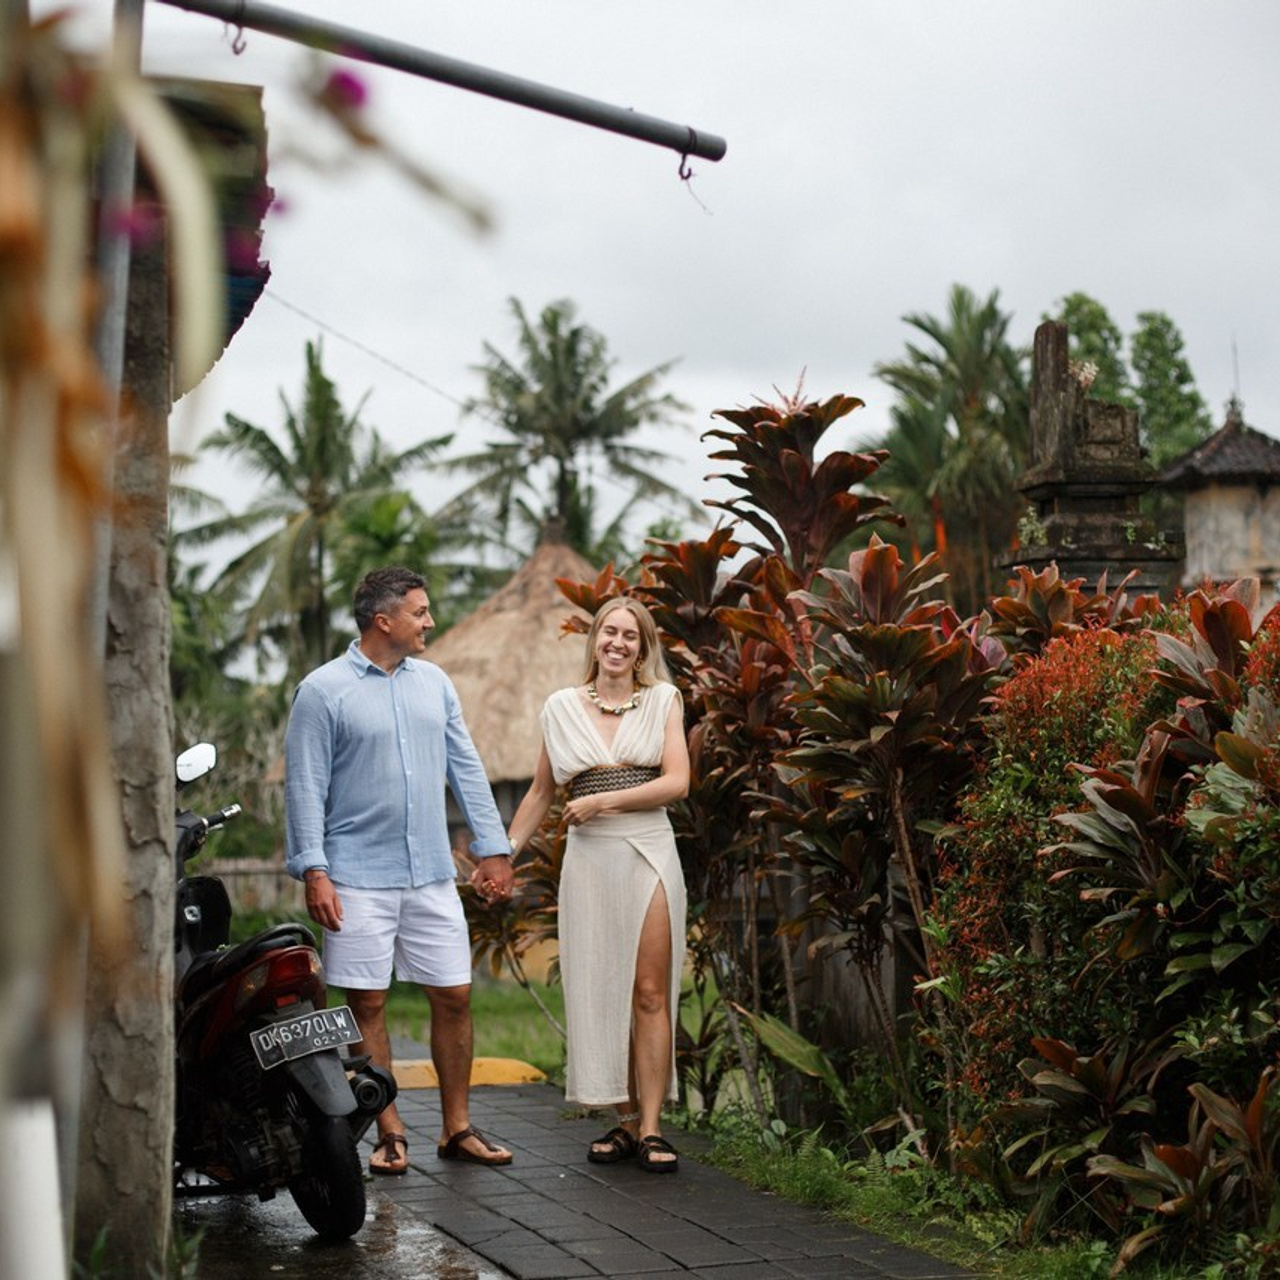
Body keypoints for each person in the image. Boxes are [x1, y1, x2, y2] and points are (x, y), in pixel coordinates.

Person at [284, 565, 514, 1174]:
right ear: (383, 621)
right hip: (354, 875)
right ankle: (389, 1131)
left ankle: (457, 1128)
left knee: (456, 995)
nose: (429, 621)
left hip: (432, 872)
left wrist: (494, 848)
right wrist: (314, 870)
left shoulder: (435, 683)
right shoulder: (321, 691)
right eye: (420, 611)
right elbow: (304, 789)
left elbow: (467, 767)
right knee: (367, 1005)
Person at [504, 596, 690, 1173]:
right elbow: (539, 792)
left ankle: (654, 1128)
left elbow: (678, 781)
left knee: (650, 992)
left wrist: (605, 799)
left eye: (630, 636)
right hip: (588, 863)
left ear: (643, 647)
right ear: (595, 640)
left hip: (648, 850)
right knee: (603, 991)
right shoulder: (559, 707)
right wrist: (501, 856)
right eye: (609, 632)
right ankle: (624, 1121)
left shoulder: (663, 699)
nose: (617, 642)